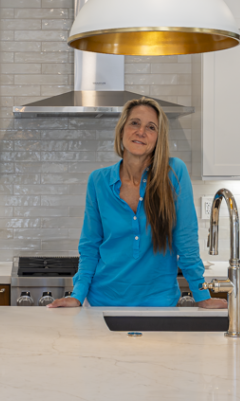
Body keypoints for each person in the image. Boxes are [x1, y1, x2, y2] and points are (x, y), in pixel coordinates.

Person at [49, 97, 227, 309]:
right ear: (122, 128)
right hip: (102, 304)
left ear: (158, 137)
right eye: (135, 123)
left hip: (159, 305)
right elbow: (90, 246)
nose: (141, 131)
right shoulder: (98, 180)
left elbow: (186, 239)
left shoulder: (174, 173)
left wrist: (201, 294)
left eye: (151, 127)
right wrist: (78, 295)